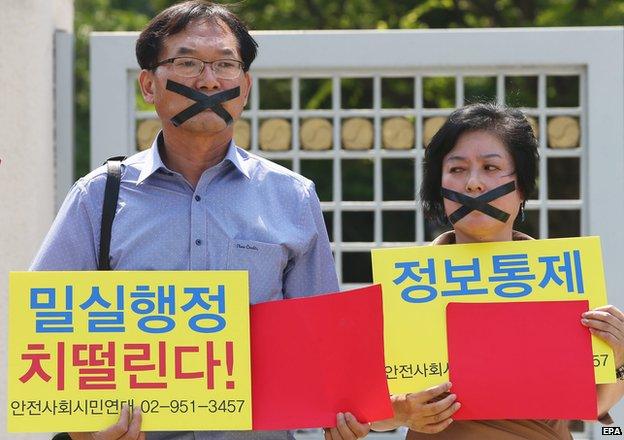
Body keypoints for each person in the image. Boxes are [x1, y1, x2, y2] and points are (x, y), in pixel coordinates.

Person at [34, 1, 339, 439]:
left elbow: (321, 342)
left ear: (245, 87)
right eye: (187, 62)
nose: (209, 80)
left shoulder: (291, 196)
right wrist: (86, 434)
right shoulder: (98, 196)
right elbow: (45, 330)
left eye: (225, 65)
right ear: (148, 85)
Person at [326, 103, 624, 440]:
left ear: (522, 187)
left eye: (490, 167)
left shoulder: (561, 278)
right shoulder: (403, 287)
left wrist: (620, 355)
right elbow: (365, 408)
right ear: (438, 185)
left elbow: (597, 403)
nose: (473, 184)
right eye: (456, 169)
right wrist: (401, 410)